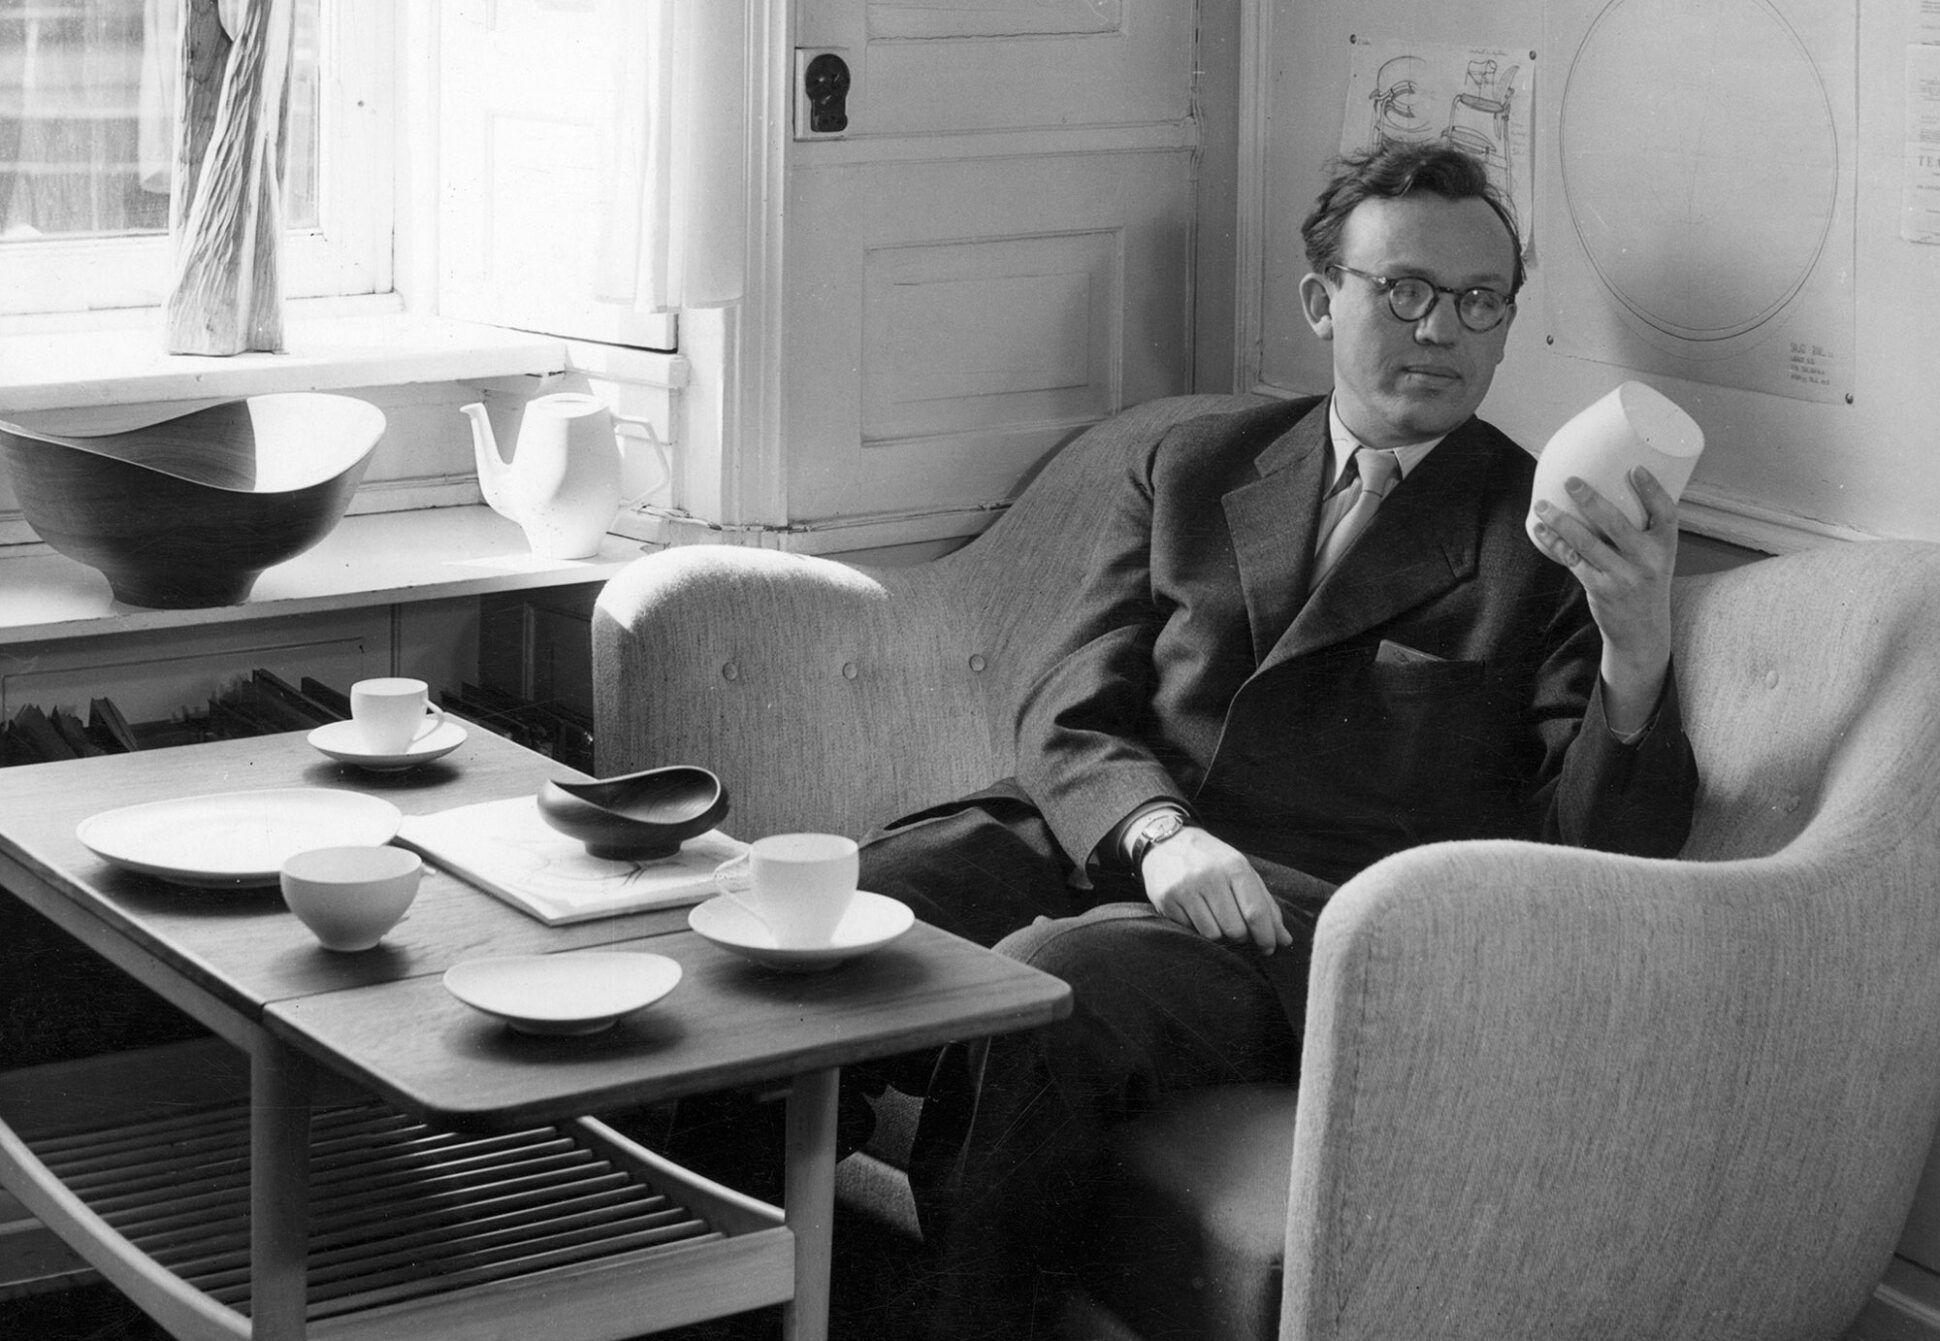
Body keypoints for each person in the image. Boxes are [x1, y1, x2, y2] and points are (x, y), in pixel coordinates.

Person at [856, 139, 1700, 1339]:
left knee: (1057, 980)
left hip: (1305, 928)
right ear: (1319, 301)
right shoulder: (1198, 464)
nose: (1440, 329)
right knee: (854, 906)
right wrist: (1156, 833)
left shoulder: (1543, 536)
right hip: (1121, 838)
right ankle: (722, 1276)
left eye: (1478, 300)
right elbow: (1069, 703)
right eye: (1402, 289)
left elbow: (1599, 855)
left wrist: (1635, 652)